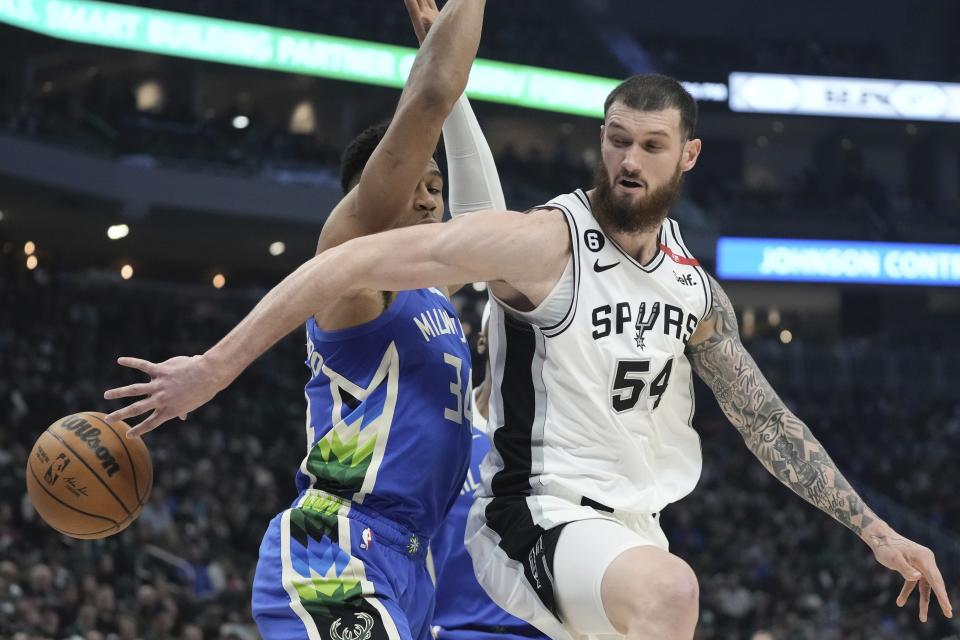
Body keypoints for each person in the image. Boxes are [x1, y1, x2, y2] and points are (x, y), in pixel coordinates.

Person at [104, 74, 953, 640]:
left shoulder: (695, 290)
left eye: (651, 146)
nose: (629, 159)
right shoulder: (549, 243)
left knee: (660, 583)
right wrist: (215, 367)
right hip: (533, 518)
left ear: (687, 156)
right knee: (671, 593)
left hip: (615, 527)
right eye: (617, 139)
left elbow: (768, 420)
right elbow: (349, 259)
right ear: (601, 139)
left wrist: (874, 530)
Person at [109, 1, 490, 638]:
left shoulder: (432, 287)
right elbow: (428, 101)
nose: (430, 196)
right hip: (337, 544)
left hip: (412, 562)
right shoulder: (358, 270)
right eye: (416, 183)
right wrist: (212, 368)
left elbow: (485, 218)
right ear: (371, 201)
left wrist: (455, 90)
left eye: (437, 186)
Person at [429, 303, 549, 640]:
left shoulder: (563, 442)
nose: (525, 345)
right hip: (448, 629)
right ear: (482, 341)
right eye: (513, 331)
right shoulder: (440, 429)